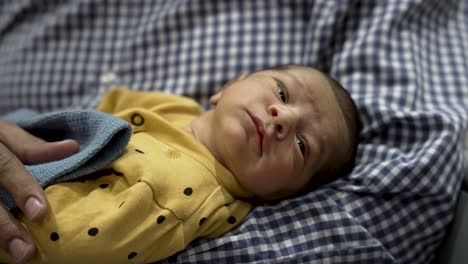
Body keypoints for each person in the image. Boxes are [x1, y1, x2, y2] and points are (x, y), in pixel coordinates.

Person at [0, 64, 361, 264]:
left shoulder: (196, 198)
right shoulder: (175, 107)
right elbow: (93, 114)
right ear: (228, 87)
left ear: (280, 195)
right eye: (282, 92)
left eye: (302, 145)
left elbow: (80, 243)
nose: (282, 116)